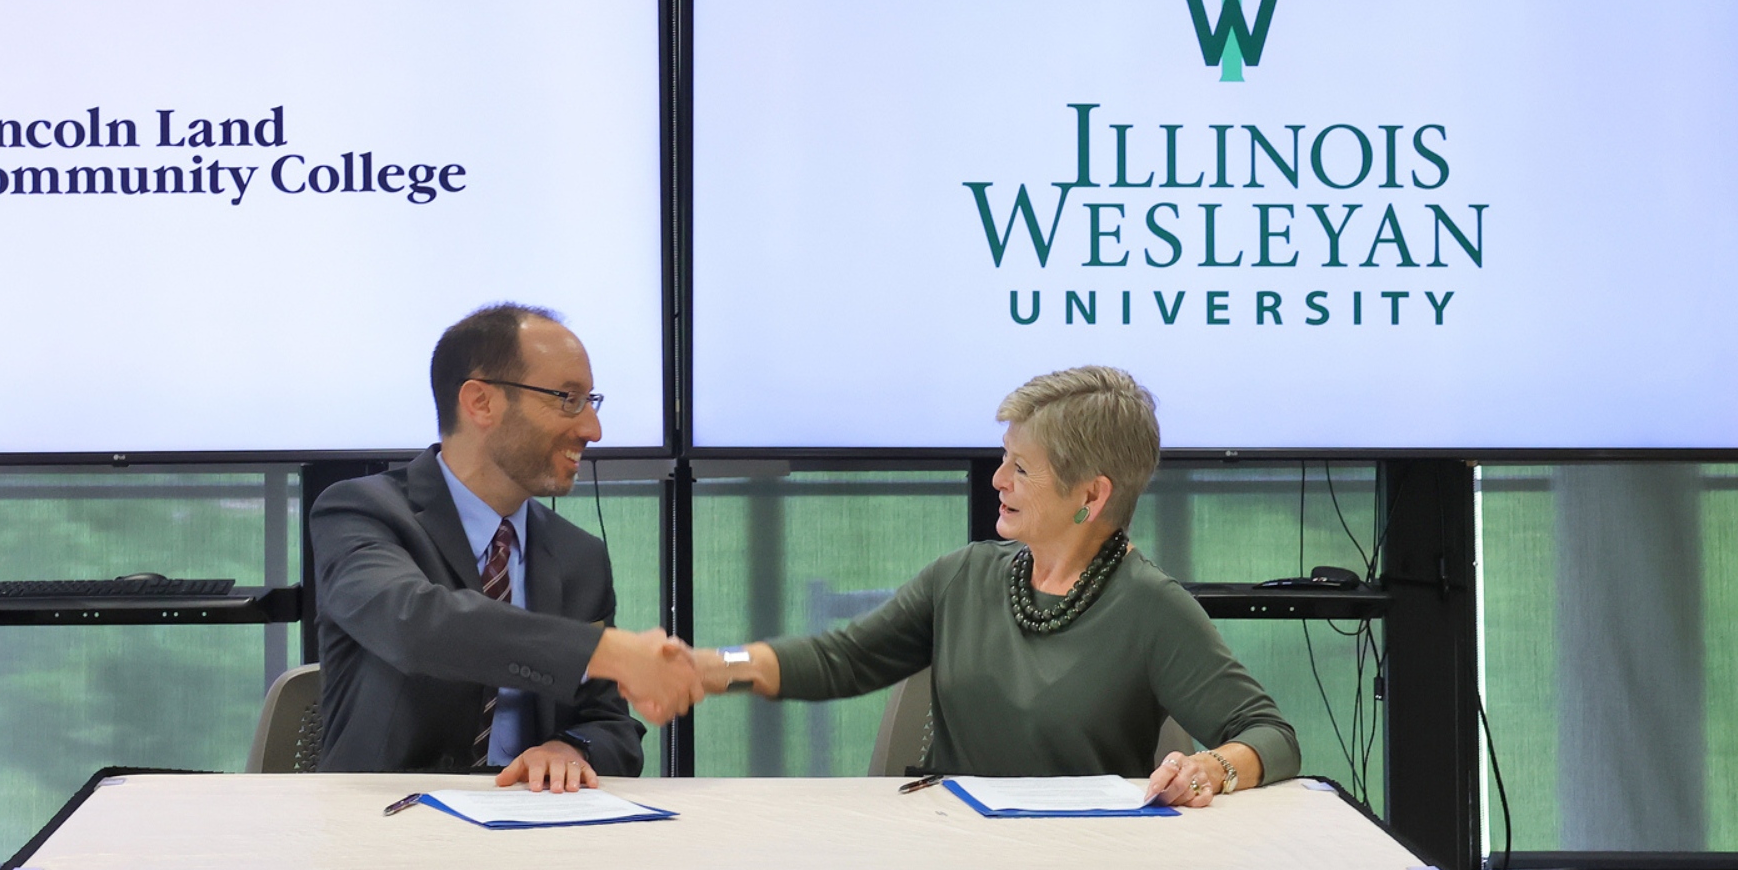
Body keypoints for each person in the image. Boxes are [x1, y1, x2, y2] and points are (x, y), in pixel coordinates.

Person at [694, 366, 1298, 806]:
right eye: (1003, 458)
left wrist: (1211, 768)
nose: (998, 480)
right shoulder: (963, 576)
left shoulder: (1152, 609)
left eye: (1022, 468)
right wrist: (715, 666)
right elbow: (842, 659)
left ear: (1091, 495)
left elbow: (1270, 734)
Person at [310, 303, 700, 791]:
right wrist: (603, 651)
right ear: (480, 403)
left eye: (590, 401)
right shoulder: (360, 512)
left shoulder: (578, 556)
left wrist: (570, 747)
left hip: (530, 832)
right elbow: (413, 623)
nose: (591, 430)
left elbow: (613, 726)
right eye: (566, 399)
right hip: (383, 829)